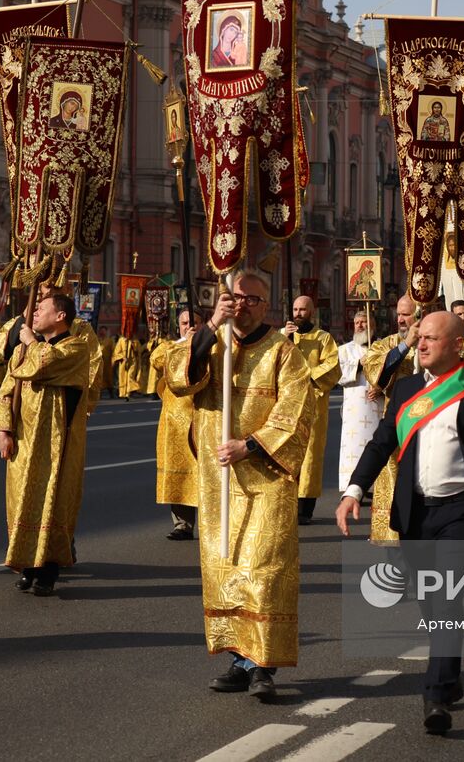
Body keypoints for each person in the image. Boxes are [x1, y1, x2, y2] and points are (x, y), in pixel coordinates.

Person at [337, 310, 464, 735]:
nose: (419, 344)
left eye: (430, 339)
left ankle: (437, 694)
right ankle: (450, 674)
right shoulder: (404, 390)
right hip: (415, 513)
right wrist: (354, 492)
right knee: (429, 600)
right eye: (418, 337)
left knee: (444, 598)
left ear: (458, 345)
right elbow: (382, 441)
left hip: (460, 513)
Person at [166, 270, 313, 699]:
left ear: (266, 306)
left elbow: (296, 411)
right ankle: (237, 659)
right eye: (235, 297)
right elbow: (179, 376)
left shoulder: (284, 353)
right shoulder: (215, 344)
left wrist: (251, 444)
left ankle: (263, 664)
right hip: (219, 479)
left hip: (265, 475)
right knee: (226, 567)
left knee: (263, 570)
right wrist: (211, 326)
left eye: (252, 299)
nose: (242, 304)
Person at [0, 292, 94, 596]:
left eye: (42, 308)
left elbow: (44, 366)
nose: (34, 313)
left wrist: (30, 342)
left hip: (56, 444)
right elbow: (7, 388)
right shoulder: (25, 348)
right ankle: (27, 565)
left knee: (52, 501)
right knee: (21, 499)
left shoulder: (75, 346)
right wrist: (3, 430)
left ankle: (48, 570)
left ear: (60, 315)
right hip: (23, 439)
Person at [361, 294, 420, 544]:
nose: (400, 319)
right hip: (397, 426)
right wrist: (406, 345)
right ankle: (394, 540)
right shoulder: (385, 344)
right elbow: (378, 376)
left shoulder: (437, 342)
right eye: (399, 313)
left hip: (431, 425)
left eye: (406, 314)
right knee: (395, 481)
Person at [283, 295, 340, 525]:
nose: (298, 313)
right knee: (286, 454)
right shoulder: (284, 336)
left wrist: (307, 378)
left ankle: (305, 508)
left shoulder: (323, 338)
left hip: (313, 406)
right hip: (287, 406)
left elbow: (332, 366)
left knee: (310, 456)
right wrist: (284, 340)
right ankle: (286, 503)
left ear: (312, 312)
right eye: (295, 309)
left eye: (303, 310)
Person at [154, 309, 200, 540]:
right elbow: (157, 360)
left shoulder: (214, 346)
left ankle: (217, 523)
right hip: (175, 421)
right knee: (180, 474)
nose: (187, 326)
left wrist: (197, 344)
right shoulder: (170, 346)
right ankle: (182, 523)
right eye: (184, 323)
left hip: (204, 417)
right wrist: (185, 343)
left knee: (208, 473)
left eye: (193, 322)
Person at [337, 310, 382, 491]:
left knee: (377, 444)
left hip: (376, 405)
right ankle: (352, 486)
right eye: (358, 323)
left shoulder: (382, 347)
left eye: (365, 322)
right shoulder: (344, 350)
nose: (361, 326)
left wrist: (381, 387)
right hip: (354, 408)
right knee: (353, 449)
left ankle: (375, 487)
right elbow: (338, 376)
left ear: (373, 325)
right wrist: (359, 364)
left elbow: (393, 373)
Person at [112, 329, 145, 400]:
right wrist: (122, 357)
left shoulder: (135, 340)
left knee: (130, 376)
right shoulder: (121, 340)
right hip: (124, 363)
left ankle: (130, 392)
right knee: (124, 378)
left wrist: (135, 348)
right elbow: (116, 352)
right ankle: (125, 393)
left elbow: (139, 351)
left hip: (133, 362)